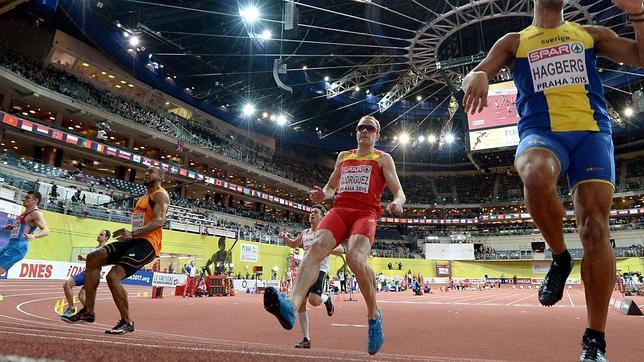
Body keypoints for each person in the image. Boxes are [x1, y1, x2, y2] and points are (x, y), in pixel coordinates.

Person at [462, 1, 644, 360]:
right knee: (533, 170)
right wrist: (478, 76)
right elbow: (474, 74)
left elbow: (639, 55)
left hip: (591, 132)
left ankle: (594, 340)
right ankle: (560, 257)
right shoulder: (514, 41)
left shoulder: (589, 35)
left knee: (595, 230)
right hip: (542, 132)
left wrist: (638, 13)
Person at [263, 115, 406, 355]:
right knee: (316, 246)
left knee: (354, 257)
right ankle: (291, 306)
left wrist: (397, 203)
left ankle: (373, 316)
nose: (364, 131)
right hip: (339, 210)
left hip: (365, 213)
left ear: (377, 134)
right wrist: (323, 195)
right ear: (356, 132)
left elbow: (399, 191)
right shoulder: (343, 156)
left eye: (370, 128)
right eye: (360, 127)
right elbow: (331, 188)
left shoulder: (383, 159)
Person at [62, 166, 170, 335]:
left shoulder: (160, 195)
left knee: (113, 277)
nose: (147, 173)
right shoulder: (143, 198)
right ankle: (88, 311)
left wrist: (133, 233)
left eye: (151, 171)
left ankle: (127, 322)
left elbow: (158, 222)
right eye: (146, 171)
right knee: (93, 257)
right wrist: (131, 234)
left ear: (162, 176)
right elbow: (141, 222)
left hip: (148, 244)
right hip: (133, 240)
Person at [278, 204, 343, 349]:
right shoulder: (305, 233)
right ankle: (306, 338)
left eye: (315, 212)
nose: (311, 214)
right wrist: (285, 238)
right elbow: (293, 244)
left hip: (320, 269)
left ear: (322, 216)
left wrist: (326, 248)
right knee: (301, 304)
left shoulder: (325, 233)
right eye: (310, 212)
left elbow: (340, 248)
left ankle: (326, 298)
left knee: (314, 300)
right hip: (305, 270)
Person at [61, 230, 111, 317]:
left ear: (106, 238)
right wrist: (84, 259)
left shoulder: (105, 249)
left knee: (67, 284)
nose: (98, 235)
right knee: (81, 296)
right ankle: (89, 313)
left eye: (101, 234)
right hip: (88, 273)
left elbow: (105, 262)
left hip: (91, 274)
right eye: (99, 234)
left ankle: (72, 308)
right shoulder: (97, 248)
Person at [0, 191, 49, 275]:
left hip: (19, 246)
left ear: (35, 201)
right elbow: (23, 227)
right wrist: (11, 227)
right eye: (24, 197)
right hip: (11, 244)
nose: (23, 199)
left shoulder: (36, 213)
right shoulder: (25, 213)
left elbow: (46, 230)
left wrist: (34, 235)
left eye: (27, 198)